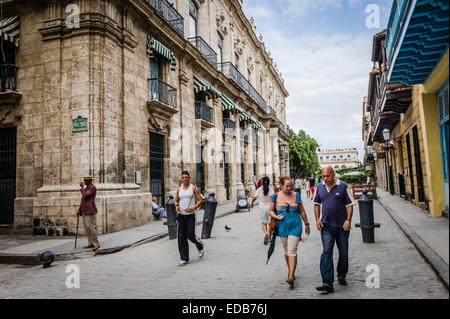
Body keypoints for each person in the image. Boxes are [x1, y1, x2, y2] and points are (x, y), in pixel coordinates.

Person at [313, 167, 355, 294]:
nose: (325, 179)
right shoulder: (319, 187)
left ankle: (341, 274)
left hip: (342, 227)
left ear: (333, 174)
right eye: (323, 176)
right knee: (326, 252)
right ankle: (327, 283)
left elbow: (350, 205)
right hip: (326, 227)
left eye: (327, 176)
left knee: (343, 252)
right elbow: (316, 204)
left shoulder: (343, 186)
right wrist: (317, 219)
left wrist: (348, 220)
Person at [268, 176, 310, 287]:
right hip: (282, 227)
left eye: (290, 186)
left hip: (295, 226)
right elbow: (270, 211)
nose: (289, 188)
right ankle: (291, 270)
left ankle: (291, 276)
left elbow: (302, 211)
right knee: (286, 251)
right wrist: (276, 217)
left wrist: (307, 224)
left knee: (292, 250)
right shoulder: (275, 196)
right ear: (281, 185)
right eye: (286, 186)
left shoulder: (297, 195)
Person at [175, 171, 204, 266]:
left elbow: (200, 200)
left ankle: (200, 246)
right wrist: (177, 206)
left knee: (191, 235)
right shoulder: (179, 189)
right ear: (181, 178)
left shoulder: (194, 188)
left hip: (191, 215)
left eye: (186, 177)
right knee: (181, 237)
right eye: (183, 177)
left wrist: (193, 208)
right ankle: (184, 258)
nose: (185, 179)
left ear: (189, 178)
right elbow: (176, 200)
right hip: (181, 215)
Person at [77, 175, 100, 251]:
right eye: (84, 180)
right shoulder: (87, 188)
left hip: (90, 210)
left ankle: (96, 244)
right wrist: (79, 209)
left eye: (85, 180)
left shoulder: (92, 187)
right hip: (84, 210)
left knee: (91, 227)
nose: (84, 181)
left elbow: (86, 195)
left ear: (89, 181)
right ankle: (90, 243)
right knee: (87, 228)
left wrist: (82, 188)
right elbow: (83, 200)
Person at [250, 177, 275, 245]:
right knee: (270, 223)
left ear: (262, 182)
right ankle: (269, 238)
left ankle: (266, 233)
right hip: (270, 208)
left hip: (262, 208)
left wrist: (251, 204)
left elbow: (254, 198)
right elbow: (274, 199)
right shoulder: (271, 190)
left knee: (263, 223)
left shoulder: (259, 189)